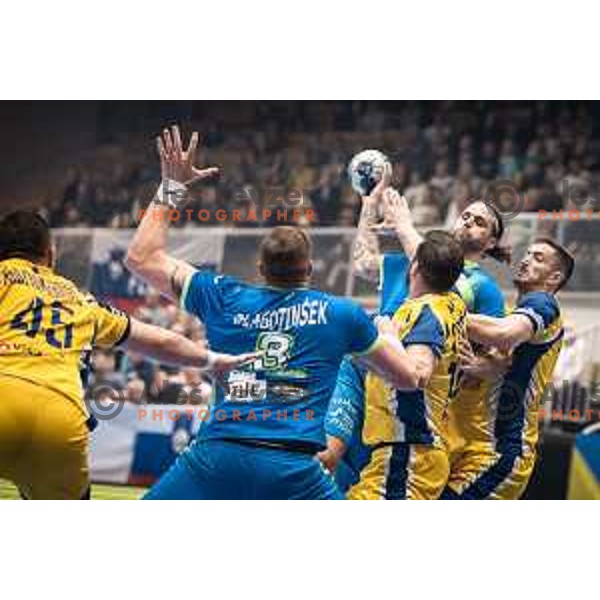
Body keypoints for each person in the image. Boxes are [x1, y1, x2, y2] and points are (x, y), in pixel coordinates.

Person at [126, 125, 433, 500]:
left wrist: (170, 186)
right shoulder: (341, 314)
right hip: (294, 469)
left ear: (260, 269)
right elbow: (406, 380)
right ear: (309, 269)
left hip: (215, 458)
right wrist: (387, 333)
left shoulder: (222, 295)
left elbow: (141, 257)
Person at [0, 210, 255, 499]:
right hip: (61, 418)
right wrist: (211, 360)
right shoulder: (79, 299)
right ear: (50, 253)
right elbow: (158, 341)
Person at [324, 178, 509, 496]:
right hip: (361, 372)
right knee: (329, 458)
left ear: (491, 243)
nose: (468, 221)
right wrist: (368, 206)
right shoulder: (410, 261)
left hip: (408, 397)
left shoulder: (478, 285)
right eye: (466, 215)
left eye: (480, 222)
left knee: (372, 477)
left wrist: (477, 365)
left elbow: (503, 359)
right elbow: (362, 262)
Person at [346, 228, 467, 499]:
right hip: (412, 451)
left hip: (409, 453)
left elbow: (418, 373)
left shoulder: (424, 313)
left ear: (414, 268)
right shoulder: (453, 303)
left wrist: (387, 335)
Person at [451, 238, 574, 499]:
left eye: (538, 258)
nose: (526, 259)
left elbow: (504, 334)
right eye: (527, 254)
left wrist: (438, 309)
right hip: (475, 445)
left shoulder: (544, 305)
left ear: (554, 277)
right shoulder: (510, 312)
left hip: (504, 451)